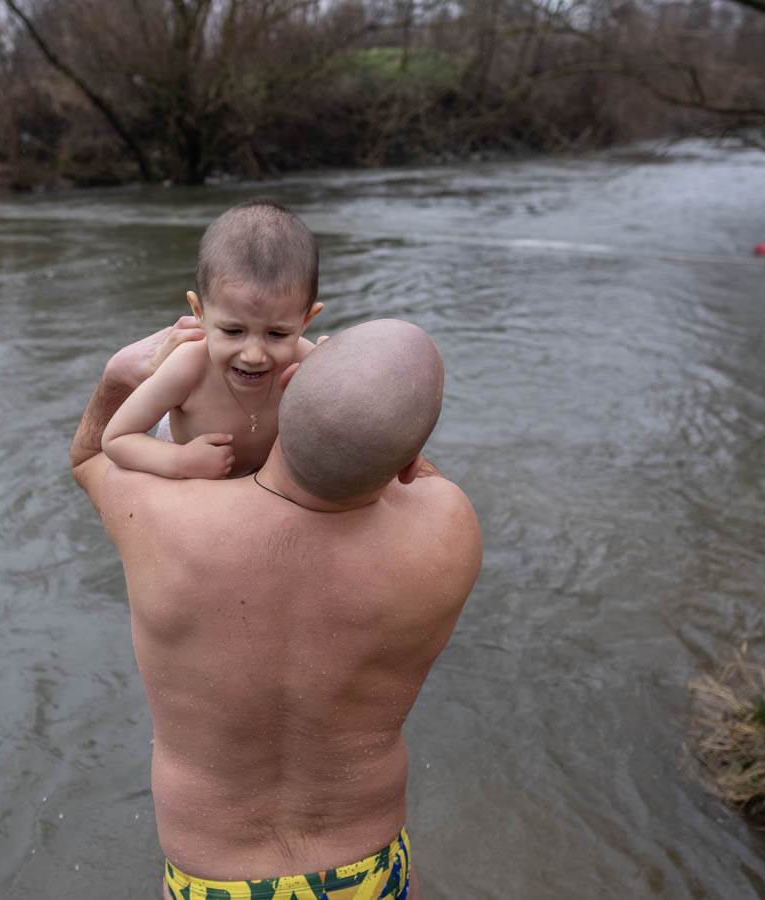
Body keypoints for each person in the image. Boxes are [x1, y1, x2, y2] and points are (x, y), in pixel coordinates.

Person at [71, 317, 482, 899]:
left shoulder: (166, 521)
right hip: (367, 871)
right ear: (410, 457)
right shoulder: (450, 528)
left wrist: (118, 377)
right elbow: (406, 465)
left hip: (211, 879)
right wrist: (379, 419)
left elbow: (90, 455)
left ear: (287, 392)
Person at [103, 201, 324, 479]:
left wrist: (338, 377)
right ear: (199, 313)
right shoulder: (189, 367)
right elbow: (116, 438)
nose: (254, 355)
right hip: (193, 475)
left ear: (306, 320)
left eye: (277, 334)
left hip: (265, 484)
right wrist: (180, 460)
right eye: (233, 331)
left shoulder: (308, 363)